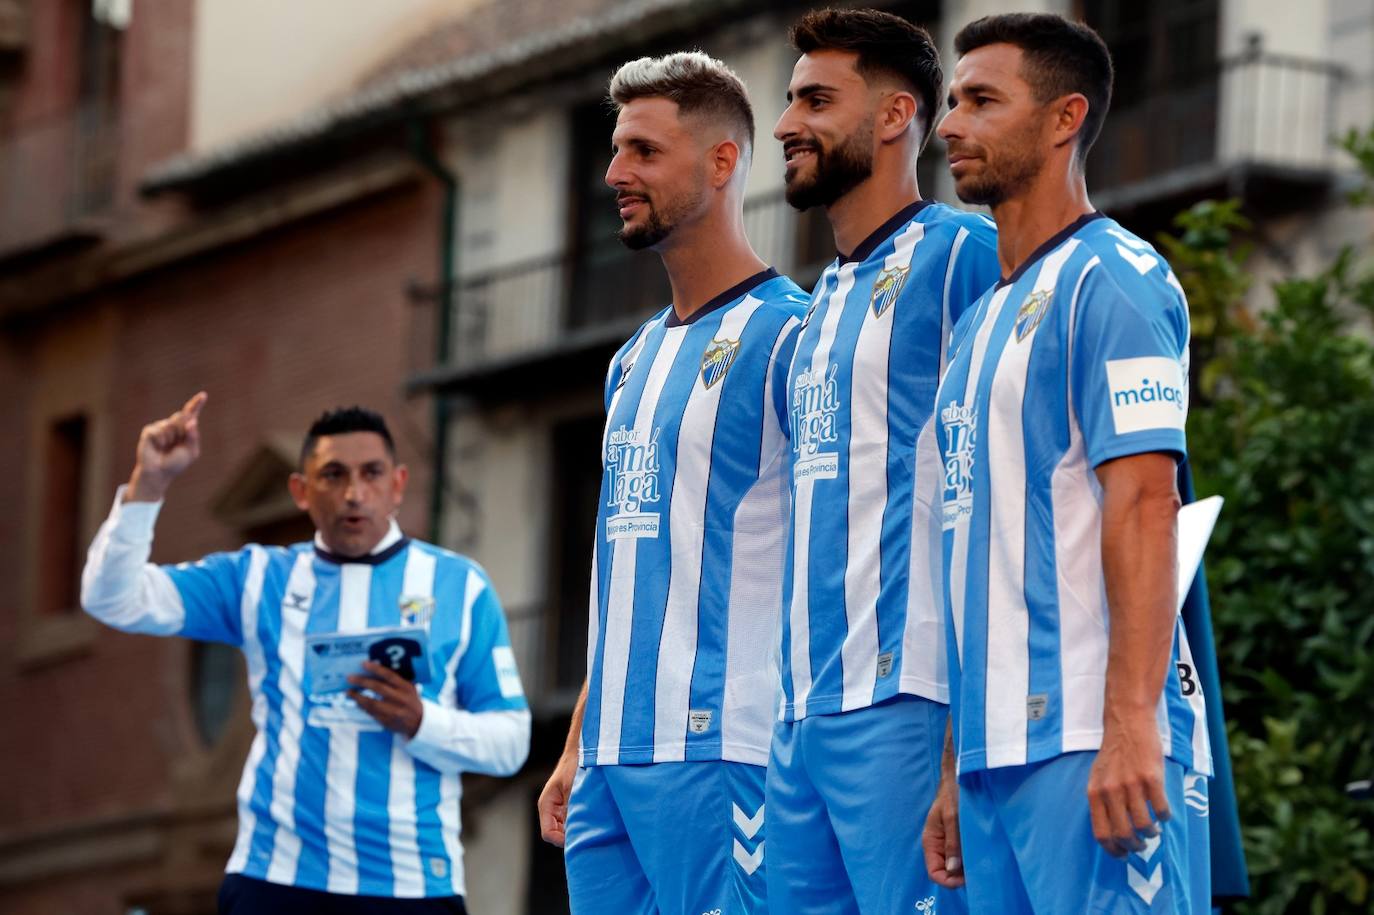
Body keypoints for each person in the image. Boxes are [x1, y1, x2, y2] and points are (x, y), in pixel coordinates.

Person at [923, 12, 1212, 913]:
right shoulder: (974, 328)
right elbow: (969, 557)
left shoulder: (1116, 280)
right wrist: (949, 766)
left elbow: (1145, 506)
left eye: (981, 101)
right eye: (950, 101)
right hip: (987, 761)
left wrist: (1132, 723)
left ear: (1063, 119)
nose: (949, 125)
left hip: (1093, 742)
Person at [533, 52, 806, 915]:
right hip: (610, 764)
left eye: (644, 152)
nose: (614, 173)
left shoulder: (795, 337)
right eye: (615, 151)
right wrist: (579, 741)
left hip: (729, 748)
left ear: (722, 162)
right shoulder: (631, 360)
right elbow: (625, 571)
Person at [82, 396, 530, 914]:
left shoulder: (459, 585)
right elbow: (111, 599)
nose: (354, 493)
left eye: (371, 474)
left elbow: (512, 742)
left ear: (398, 485)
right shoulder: (258, 578)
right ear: (301, 490)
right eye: (333, 475)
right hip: (276, 880)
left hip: (413, 885)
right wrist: (148, 486)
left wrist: (421, 721)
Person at [766, 9, 999, 914]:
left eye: (816, 100)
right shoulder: (815, 304)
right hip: (800, 714)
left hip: (910, 694)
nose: (787, 124)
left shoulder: (964, 256)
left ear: (898, 114)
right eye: (788, 101)